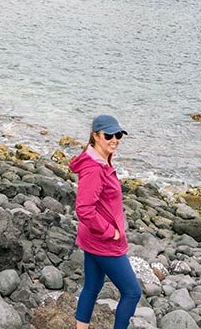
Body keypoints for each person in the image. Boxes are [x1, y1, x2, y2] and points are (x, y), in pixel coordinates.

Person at [69, 113, 141, 329]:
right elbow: (84, 209)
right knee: (132, 292)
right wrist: (112, 232)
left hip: (91, 238)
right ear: (95, 136)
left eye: (118, 134)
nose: (115, 139)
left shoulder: (100, 161)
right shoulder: (94, 169)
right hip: (104, 242)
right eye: (109, 135)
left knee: (92, 285)